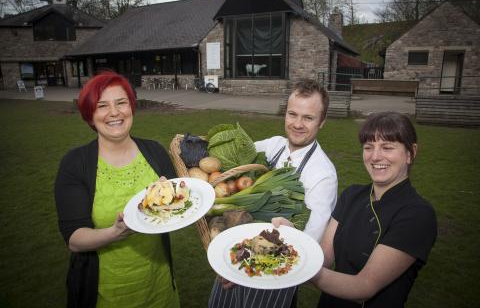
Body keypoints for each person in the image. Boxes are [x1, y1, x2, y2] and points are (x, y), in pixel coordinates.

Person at [54, 71, 180, 308]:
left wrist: (171, 198)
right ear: (91, 116)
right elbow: (74, 238)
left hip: (160, 288)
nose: (114, 112)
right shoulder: (75, 163)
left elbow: (179, 209)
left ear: (131, 107)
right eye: (102, 106)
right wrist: (116, 232)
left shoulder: (155, 151)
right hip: (105, 295)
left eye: (121, 102)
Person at [208, 79, 338, 308]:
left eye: (308, 118)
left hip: (273, 269)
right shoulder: (274, 145)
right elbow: (233, 158)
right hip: (236, 250)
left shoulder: (322, 175)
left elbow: (309, 242)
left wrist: (245, 264)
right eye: (292, 114)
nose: (297, 124)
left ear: (323, 121)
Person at [311, 112, 437, 308]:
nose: (375, 156)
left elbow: (364, 287)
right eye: (368, 147)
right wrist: (288, 240)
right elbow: (324, 258)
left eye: (387, 147)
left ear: (411, 153)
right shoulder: (351, 195)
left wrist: (298, 270)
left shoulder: (418, 215)